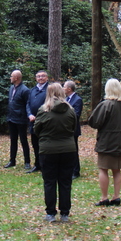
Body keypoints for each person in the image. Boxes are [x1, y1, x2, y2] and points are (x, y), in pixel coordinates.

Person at [34, 83, 77, 223]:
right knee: (65, 182)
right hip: (68, 149)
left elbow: (36, 129)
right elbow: (73, 128)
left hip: (48, 150)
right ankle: (65, 212)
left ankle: (50, 213)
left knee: (49, 181)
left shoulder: (43, 110)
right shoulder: (70, 110)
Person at [87, 78, 121, 207]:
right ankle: (116, 196)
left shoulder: (106, 104)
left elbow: (94, 122)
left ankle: (104, 197)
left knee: (103, 169)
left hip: (106, 141)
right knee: (117, 170)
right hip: (120, 140)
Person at [5, 69, 31, 170]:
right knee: (13, 140)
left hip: (21, 119)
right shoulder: (12, 88)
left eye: (11, 76)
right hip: (11, 118)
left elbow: (27, 104)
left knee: (23, 140)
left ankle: (27, 161)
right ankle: (12, 160)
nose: (10, 78)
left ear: (16, 78)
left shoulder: (25, 90)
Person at [25, 70, 49, 173]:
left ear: (47, 78)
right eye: (38, 76)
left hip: (44, 121)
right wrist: (29, 114)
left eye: (43, 76)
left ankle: (45, 165)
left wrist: (40, 116)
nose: (40, 78)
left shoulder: (49, 90)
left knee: (44, 144)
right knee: (35, 144)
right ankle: (37, 164)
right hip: (32, 121)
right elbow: (28, 103)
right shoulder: (33, 90)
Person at [63, 80, 84, 179]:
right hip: (65, 128)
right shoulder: (66, 99)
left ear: (69, 89)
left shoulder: (77, 100)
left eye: (64, 87)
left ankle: (76, 171)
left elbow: (76, 115)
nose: (63, 89)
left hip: (73, 129)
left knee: (74, 150)